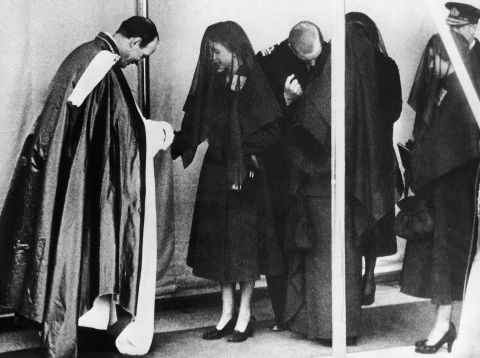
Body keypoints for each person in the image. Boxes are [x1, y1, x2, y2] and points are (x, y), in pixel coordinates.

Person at [0, 16, 173, 357]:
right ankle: (64, 332)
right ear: (134, 42)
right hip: (75, 178)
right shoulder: (103, 67)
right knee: (71, 244)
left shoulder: (82, 54)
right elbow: (125, 135)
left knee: (61, 244)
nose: (139, 63)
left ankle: (66, 322)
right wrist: (161, 133)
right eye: (143, 55)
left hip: (59, 170)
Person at [171, 21, 284, 343]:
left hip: (245, 174)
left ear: (233, 48)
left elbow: (273, 131)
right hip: (217, 174)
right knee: (221, 244)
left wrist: (242, 150)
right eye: (209, 52)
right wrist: (168, 141)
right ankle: (226, 314)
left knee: (244, 246)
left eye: (216, 51)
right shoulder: (217, 84)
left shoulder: (256, 83)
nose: (212, 58)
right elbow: (197, 126)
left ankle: (244, 316)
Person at [400, 1, 480, 354]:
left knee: (451, 251)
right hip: (440, 180)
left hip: (461, 179)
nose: (434, 62)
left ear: (469, 30)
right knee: (439, 251)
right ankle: (443, 325)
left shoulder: (473, 67)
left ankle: (445, 326)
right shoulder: (447, 76)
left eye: (442, 52)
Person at [255, 21, 330, 331]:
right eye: (307, 59)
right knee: (279, 238)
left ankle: (308, 311)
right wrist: (284, 101)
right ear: (291, 48)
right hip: (278, 167)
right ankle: (282, 313)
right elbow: (258, 119)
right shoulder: (269, 64)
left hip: (311, 167)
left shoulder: (328, 57)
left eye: (317, 56)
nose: (313, 64)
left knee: (309, 238)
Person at [345, 12, 402, 306]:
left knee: (355, 216)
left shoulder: (346, 68)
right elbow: (395, 111)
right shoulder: (387, 66)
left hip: (356, 156)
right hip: (378, 156)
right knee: (374, 216)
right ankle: (368, 275)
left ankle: (361, 277)